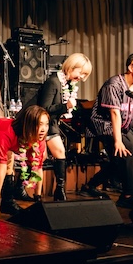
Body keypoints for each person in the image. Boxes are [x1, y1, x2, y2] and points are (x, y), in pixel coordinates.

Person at [89, 53, 133, 209]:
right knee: (128, 152)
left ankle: (91, 185)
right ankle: (128, 195)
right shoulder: (114, 84)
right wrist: (118, 140)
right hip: (105, 125)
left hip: (123, 126)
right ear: (131, 67)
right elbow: (114, 113)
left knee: (126, 156)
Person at [36, 53, 92, 201]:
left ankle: (59, 190)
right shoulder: (53, 82)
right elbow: (44, 108)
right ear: (71, 67)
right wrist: (65, 106)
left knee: (60, 153)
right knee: (39, 158)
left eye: (84, 75)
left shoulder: (68, 85)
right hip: (40, 124)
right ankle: (21, 188)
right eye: (80, 72)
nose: (81, 77)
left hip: (52, 123)